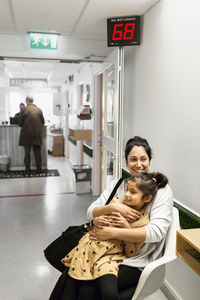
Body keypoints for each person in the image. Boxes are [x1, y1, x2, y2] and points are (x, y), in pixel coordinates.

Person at [76, 136, 174, 300]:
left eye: (143, 159)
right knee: (74, 276)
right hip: (108, 251)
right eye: (133, 159)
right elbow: (91, 212)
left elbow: (155, 232)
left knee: (89, 290)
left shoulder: (161, 191)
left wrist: (113, 232)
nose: (139, 164)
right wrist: (111, 208)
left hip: (137, 259)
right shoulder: (118, 185)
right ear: (126, 161)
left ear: (149, 161)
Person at [54, 172, 168, 300]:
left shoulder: (142, 220)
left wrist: (126, 228)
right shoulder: (116, 203)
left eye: (133, 192)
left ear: (147, 198)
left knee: (105, 293)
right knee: (69, 284)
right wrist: (95, 221)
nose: (127, 195)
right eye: (127, 190)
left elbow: (130, 251)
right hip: (87, 249)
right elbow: (94, 221)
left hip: (108, 259)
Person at [18, 96, 45, 174]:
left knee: (27, 154)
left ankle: (27, 170)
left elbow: (20, 123)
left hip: (26, 135)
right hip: (36, 135)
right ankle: (39, 170)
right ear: (32, 101)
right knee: (37, 153)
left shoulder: (24, 110)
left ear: (27, 101)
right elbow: (43, 122)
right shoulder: (39, 110)